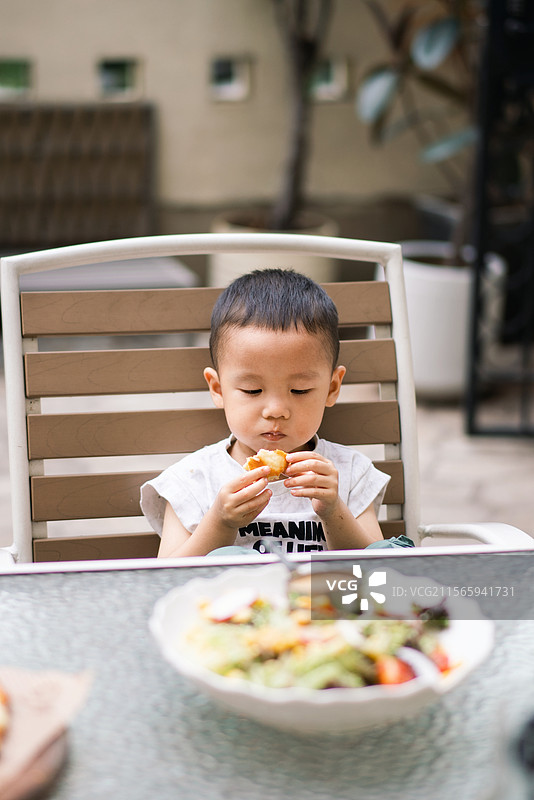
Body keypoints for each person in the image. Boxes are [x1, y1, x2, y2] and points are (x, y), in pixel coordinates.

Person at [141, 268, 412, 558]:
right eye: (252, 391)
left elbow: (374, 571)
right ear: (218, 388)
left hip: (326, 599)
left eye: (300, 390)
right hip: (241, 602)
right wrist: (220, 522)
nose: (276, 411)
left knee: (392, 552)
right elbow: (166, 577)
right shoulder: (194, 480)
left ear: (332, 388)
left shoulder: (348, 473)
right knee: (230, 559)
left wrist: (333, 512)